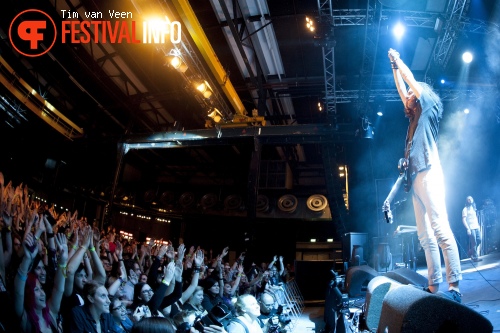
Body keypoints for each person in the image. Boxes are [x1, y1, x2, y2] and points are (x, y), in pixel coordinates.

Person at [388, 48, 462, 302]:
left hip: (429, 172)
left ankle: (455, 288)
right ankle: (433, 286)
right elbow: (402, 89)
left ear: (422, 95)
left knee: (440, 228)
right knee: (425, 235)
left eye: (412, 92)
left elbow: (411, 84)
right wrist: (393, 68)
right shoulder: (413, 118)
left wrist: (400, 61)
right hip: (415, 178)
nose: (407, 95)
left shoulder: (429, 107)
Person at [462, 196, 482, 262]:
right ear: (466, 201)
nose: (469, 200)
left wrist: (478, 225)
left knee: (479, 239)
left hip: (476, 226)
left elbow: (475, 218)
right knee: (474, 242)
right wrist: (467, 228)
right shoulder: (465, 209)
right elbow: (464, 219)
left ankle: (471, 251)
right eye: (468, 199)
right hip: (471, 228)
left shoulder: (474, 208)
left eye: (470, 199)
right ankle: (475, 257)